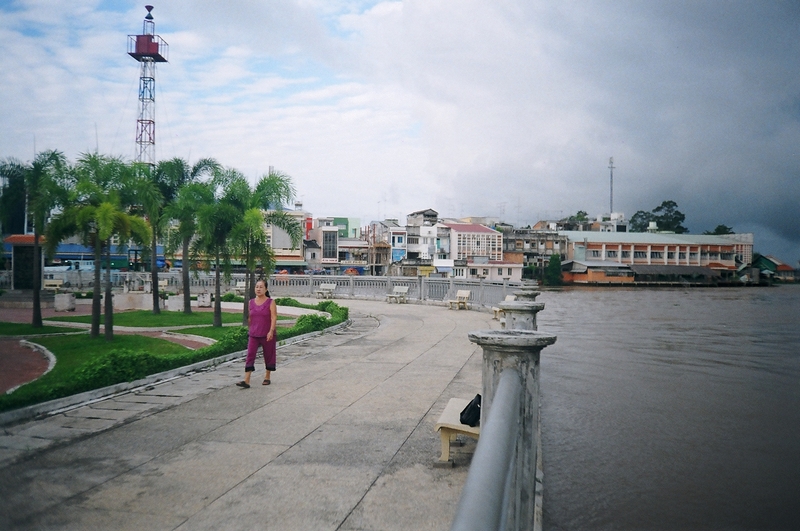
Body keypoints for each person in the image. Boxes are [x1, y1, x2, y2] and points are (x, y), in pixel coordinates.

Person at [236, 279, 277, 389]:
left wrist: (271, 331)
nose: (258, 289)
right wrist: (251, 328)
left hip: (267, 334)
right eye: (257, 287)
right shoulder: (251, 302)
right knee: (250, 355)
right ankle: (246, 380)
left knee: (268, 355)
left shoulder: (271, 302)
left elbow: (273, 317)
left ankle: (267, 377)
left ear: (266, 289)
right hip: (254, 334)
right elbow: (250, 317)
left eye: (261, 287)